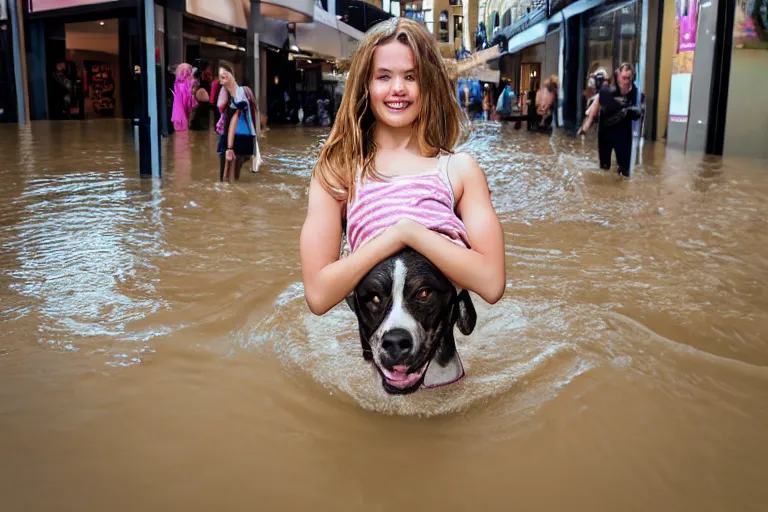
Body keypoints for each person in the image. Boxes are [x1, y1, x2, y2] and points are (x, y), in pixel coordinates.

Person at [299, 17, 506, 316]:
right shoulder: (338, 173)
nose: (398, 88)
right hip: (381, 353)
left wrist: (411, 232)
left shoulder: (459, 171)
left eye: (411, 77)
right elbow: (318, 295)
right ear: (365, 85)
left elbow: (491, 282)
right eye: (384, 76)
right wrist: (395, 236)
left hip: (441, 356)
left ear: (429, 84)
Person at [577, 63, 642, 177]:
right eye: (624, 78)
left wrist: (635, 112)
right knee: (604, 170)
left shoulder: (636, 93)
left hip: (623, 135)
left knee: (624, 172)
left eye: (630, 78)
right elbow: (594, 109)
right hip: (605, 133)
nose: (627, 81)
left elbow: (639, 113)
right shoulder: (608, 92)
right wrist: (586, 127)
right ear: (617, 76)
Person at [216, 65, 258, 181]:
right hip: (231, 136)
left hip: (240, 137)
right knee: (228, 175)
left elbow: (250, 113)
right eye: (220, 75)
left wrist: (230, 147)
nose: (223, 75)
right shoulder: (225, 93)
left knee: (230, 176)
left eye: (225, 72)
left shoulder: (241, 93)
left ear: (231, 73)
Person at [170, 63, 197, 132]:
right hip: (182, 117)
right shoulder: (187, 85)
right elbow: (189, 103)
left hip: (177, 115)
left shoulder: (176, 84)